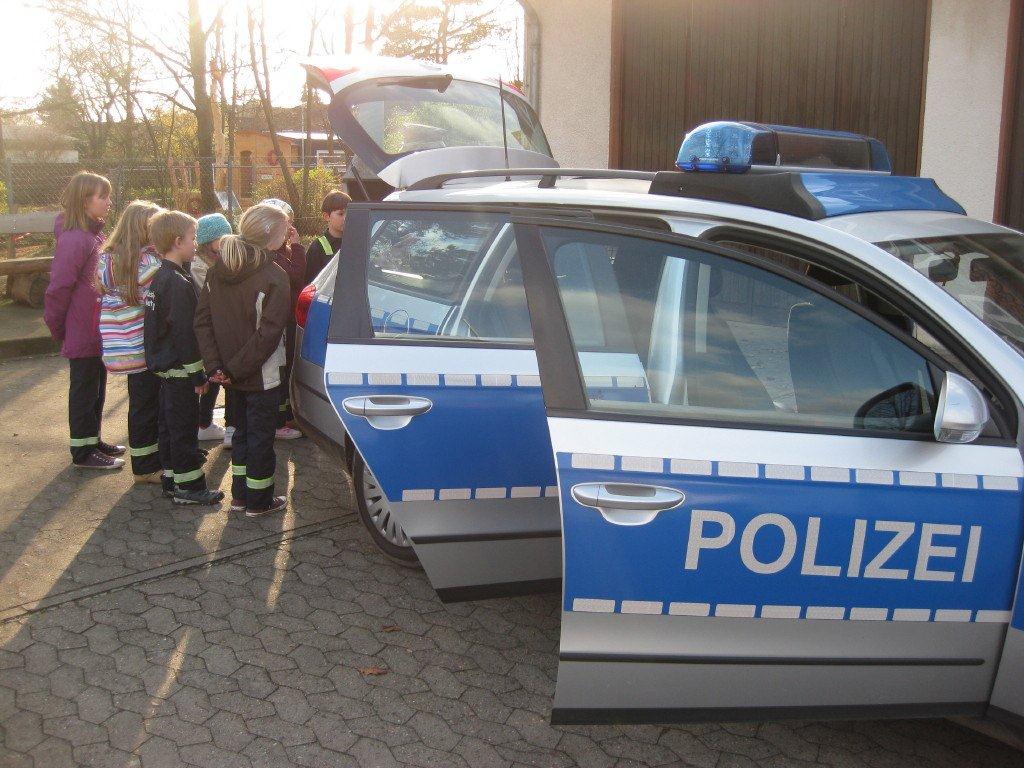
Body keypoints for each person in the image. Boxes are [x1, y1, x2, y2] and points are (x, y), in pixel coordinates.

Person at [194, 203, 291, 518]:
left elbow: (202, 322)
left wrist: (216, 367)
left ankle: (240, 496)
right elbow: (269, 334)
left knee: (240, 434)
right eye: (284, 231)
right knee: (261, 437)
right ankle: (259, 501)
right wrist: (233, 370)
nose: (288, 235)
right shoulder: (275, 275)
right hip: (260, 376)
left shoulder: (216, 270)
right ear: (271, 236)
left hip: (228, 375)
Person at [44, 171, 126, 470]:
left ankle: (92, 439)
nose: (108, 202)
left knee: (96, 387)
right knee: (84, 389)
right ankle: (82, 451)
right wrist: (58, 327)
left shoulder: (93, 236)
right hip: (82, 329)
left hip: (95, 329)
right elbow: (58, 288)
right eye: (102, 197)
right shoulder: (75, 239)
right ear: (84, 200)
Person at [144, 210, 224, 506]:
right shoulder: (178, 283)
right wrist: (198, 375)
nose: (196, 244)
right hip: (180, 372)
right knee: (183, 431)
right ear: (178, 241)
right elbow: (185, 335)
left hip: (166, 371)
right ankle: (189, 487)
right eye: (192, 238)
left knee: (168, 428)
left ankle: (171, 479)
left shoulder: (160, 277)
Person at [95, 200, 165, 482]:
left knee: (140, 403)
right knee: (150, 405)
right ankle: (146, 467)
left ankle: (144, 461)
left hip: (121, 345)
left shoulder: (108, 259)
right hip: (146, 345)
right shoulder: (149, 264)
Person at [259, 198, 306, 440]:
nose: (290, 229)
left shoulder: (280, 251)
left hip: (286, 318)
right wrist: (297, 247)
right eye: (286, 224)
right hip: (278, 321)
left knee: (285, 367)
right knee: (277, 369)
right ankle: (277, 422)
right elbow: (295, 275)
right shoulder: (271, 255)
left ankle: (284, 414)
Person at [192, 213, 234, 445]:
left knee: (217, 378)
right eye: (222, 237)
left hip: (219, 329)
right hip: (209, 332)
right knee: (212, 377)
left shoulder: (217, 261)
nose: (227, 241)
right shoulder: (199, 267)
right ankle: (203, 423)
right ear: (208, 241)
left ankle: (208, 422)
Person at [303, 189, 350, 285]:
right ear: (326, 216)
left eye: (349, 213)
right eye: (341, 214)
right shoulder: (317, 247)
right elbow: (310, 284)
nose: (346, 218)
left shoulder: (356, 241)